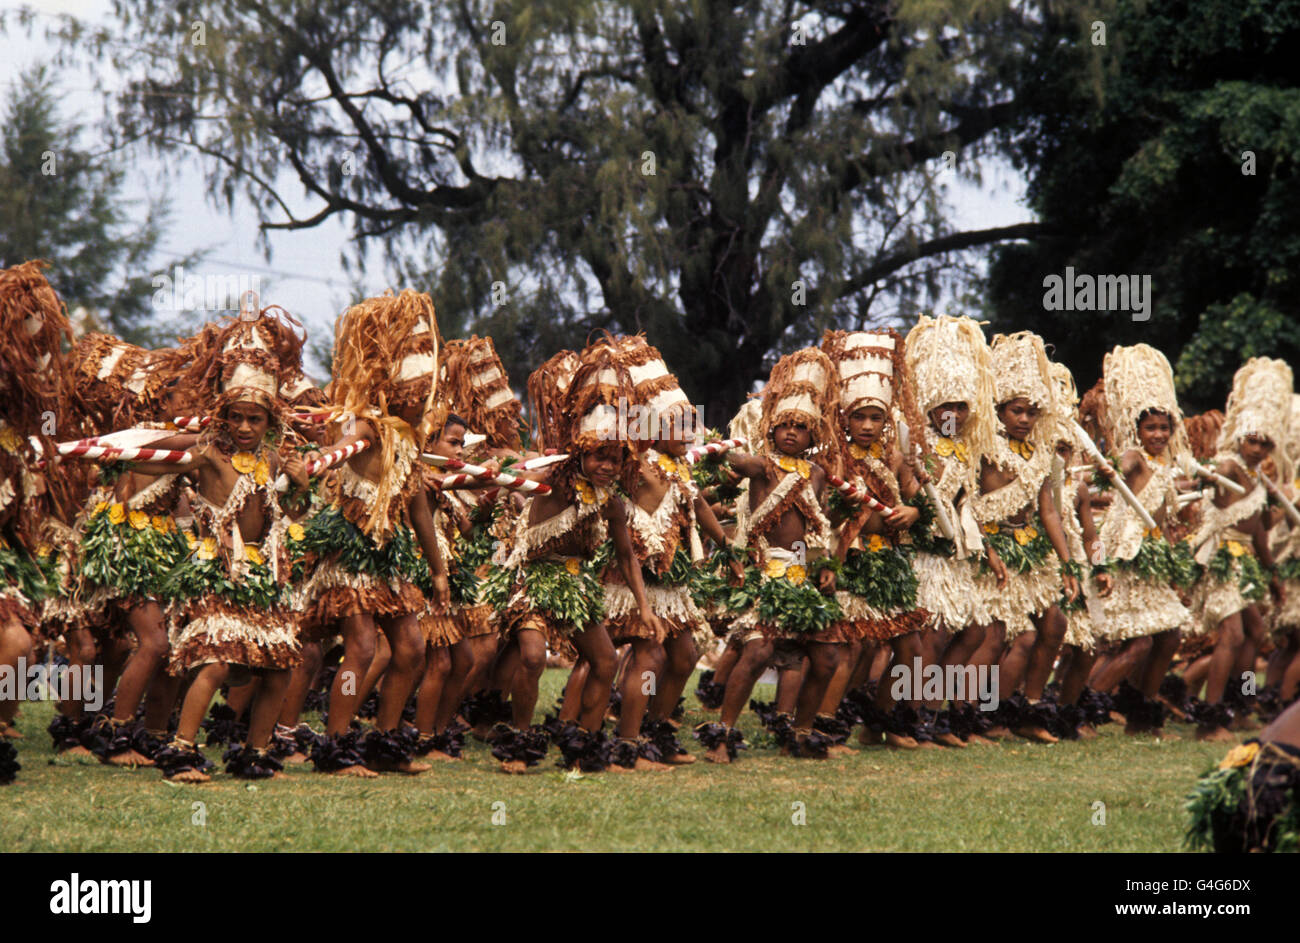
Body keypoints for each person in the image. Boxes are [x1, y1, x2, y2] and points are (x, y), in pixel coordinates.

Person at [481, 339, 665, 773]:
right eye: (600, 456)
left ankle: (583, 744)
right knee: (530, 656)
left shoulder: (612, 501)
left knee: (604, 660)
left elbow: (626, 555)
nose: (607, 466)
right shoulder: (555, 480)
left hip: (576, 586)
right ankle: (521, 745)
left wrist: (643, 607)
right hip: (534, 581)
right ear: (580, 450)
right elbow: (508, 474)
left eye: (616, 459)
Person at [297, 290, 452, 776]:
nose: (419, 397)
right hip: (349, 553)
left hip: (389, 559)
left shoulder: (409, 438)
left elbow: (420, 507)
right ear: (396, 388)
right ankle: (335, 745)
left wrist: (439, 569)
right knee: (361, 649)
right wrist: (315, 462)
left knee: (411, 648)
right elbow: (344, 445)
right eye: (414, 389)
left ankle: (386, 743)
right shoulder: (368, 425)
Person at [697, 347, 843, 762]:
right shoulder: (762, 466)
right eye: (785, 426)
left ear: (814, 436)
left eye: (801, 428)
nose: (792, 433)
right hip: (765, 573)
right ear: (771, 429)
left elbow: (818, 526)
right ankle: (722, 733)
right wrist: (716, 449)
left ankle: (799, 732)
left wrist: (826, 566)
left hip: (804, 577)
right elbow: (737, 462)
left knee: (825, 654)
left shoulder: (816, 475)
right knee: (759, 650)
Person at [1184, 358, 1291, 741]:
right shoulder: (1228, 466)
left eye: (1265, 443)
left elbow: (1261, 535)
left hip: (1248, 561)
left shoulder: (1259, 478)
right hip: (1223, 558)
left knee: (1254, 632)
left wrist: (1273, 575)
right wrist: (1198, 476)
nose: (1259, 448)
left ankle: (1240, 703)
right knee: (1230, 635)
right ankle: (1210, 719)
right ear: (1240, 438)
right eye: (1253, 440)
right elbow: (1205, 477)